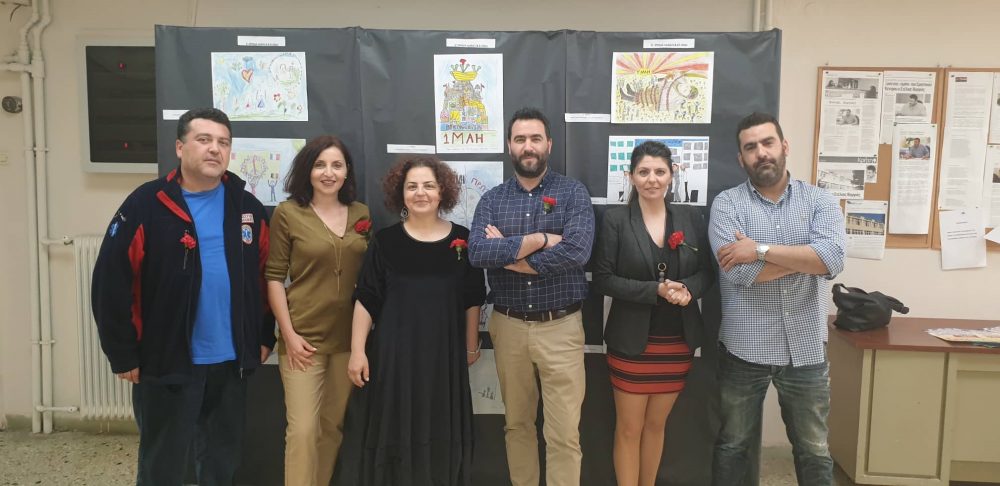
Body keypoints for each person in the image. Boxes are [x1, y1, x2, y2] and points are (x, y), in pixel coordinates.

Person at [91, 108, 275, 486]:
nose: (215, 149)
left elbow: (264, 279)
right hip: (166, 361)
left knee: (222, 462)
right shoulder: (146, 204)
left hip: (230, 364)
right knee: (163, 465)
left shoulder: (247, 208)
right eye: (203, 140)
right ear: (179, 147)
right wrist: (121, 352)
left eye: (223, 142)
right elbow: (111, 280)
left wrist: (262, 335)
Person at [708, 112, 846, 486]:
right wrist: (805, 259)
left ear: (784, 146)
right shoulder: (727, 204)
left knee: (814, 450)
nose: (761, 153)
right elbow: (739, 273)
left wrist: (760, 250)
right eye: (751, 147)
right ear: (741, 158)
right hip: (743, 349)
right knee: (733, 446)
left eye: (768, 143)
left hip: (806, 348)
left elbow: (832, 260)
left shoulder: (820, 200)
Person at [468, 107, 594, 486]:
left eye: (535, 138)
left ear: (549, 144)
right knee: (517, 425)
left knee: (564, 433)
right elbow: (478, 253)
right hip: (508, 326)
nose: (528, 146)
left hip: (561, 327)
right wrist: (539, 239)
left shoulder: (572, 193)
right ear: (509, 145)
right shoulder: (492, 200)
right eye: (520, 139)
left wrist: (508, 253)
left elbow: (576, 252)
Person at [346, 155, 485, 485]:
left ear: (442, 192)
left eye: (428, 185)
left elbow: (472, 299)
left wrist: (470, 348)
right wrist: (357, 351)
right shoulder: (385, 241)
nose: (420, 193)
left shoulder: (463, 240)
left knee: (441, 429)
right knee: (396, 428)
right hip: (395, 359)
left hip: (444, 359)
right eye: (412, 186)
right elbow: (367, 298)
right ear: (401, 193)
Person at [591, 141, 716, 486]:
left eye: (660, 171)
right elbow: (602, 279)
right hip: (631, 343)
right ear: (631, 176)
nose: (652, 179)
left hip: (677, 342)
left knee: (656, 426)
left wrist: (688, 289)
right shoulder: (616, 219)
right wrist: (654, 291)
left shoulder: (689, 217)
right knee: (629, 429)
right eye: (644, 172)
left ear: (671, 175)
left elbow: (707, 272)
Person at [265, 136, 370, 486]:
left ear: (347, 172)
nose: (328, 173)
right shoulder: (288, 213)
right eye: (320, 165)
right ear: (307, 171)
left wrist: (359, 343)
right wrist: (288, 335)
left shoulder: (361, 214)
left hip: (347, 340)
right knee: (303, 431)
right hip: (302, 339)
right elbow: (274, 277)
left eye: (336, 165)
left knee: (331, 427)